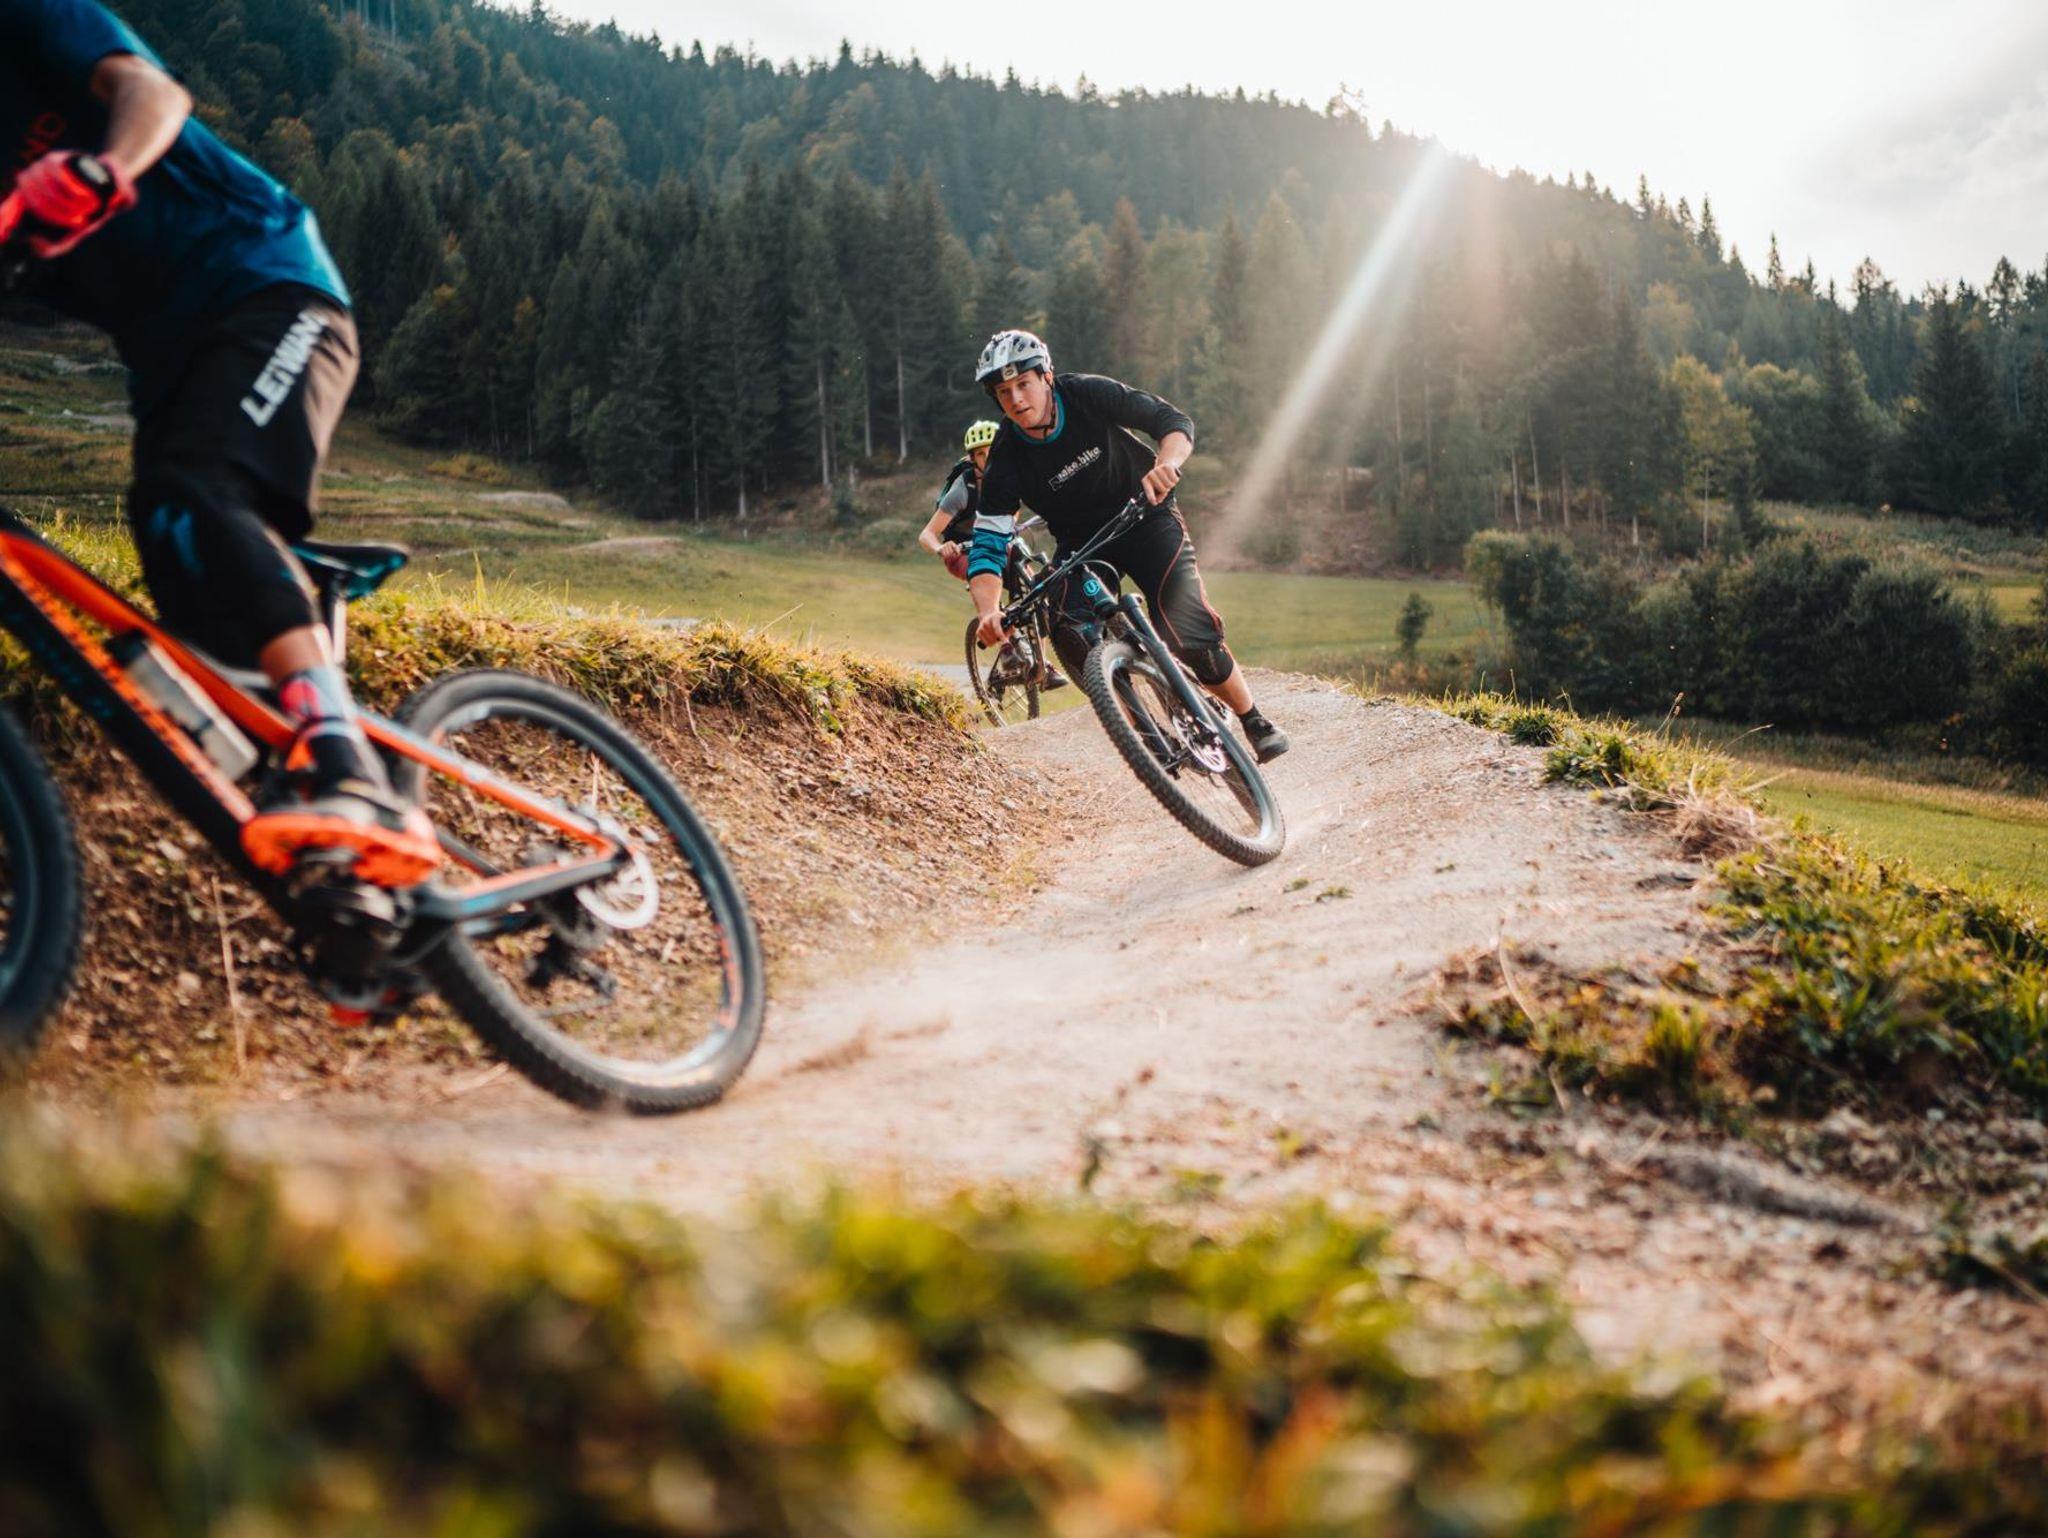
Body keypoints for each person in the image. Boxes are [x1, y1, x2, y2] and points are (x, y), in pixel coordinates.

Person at [0, 0, 438, 887]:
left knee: (195, 491)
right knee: (188, 614)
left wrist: (104, 169)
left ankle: (350, 768)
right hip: (168, 364)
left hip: (269, 284)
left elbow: (155, 96)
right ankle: (342, 873)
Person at [965, 328, 1289, 761]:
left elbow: (1173, 422)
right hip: (1082, 544)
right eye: (1004, 392)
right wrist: (989, 611)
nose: (1017, 399)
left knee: (1189, 634)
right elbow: (988, 542)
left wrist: (1167, 465)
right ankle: (1143, 731)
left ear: (1046, 376)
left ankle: (1253, 719)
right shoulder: (1005, 456)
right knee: (1070, 630)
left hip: (1145, 514)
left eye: (1024, 383)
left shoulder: (1086, 393)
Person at [920, 417, 1067, 691]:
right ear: (972, 458)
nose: (989, 460)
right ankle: (1007, 648)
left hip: (998, 541)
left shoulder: (1010, 475)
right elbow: (927, 534)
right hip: (963, 550)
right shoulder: (963, 490)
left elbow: (1013, 510)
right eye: (981, 454)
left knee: (1035, 590)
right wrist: (941, 547)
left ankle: (1043, 665)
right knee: (986, 580)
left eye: (994, 451)